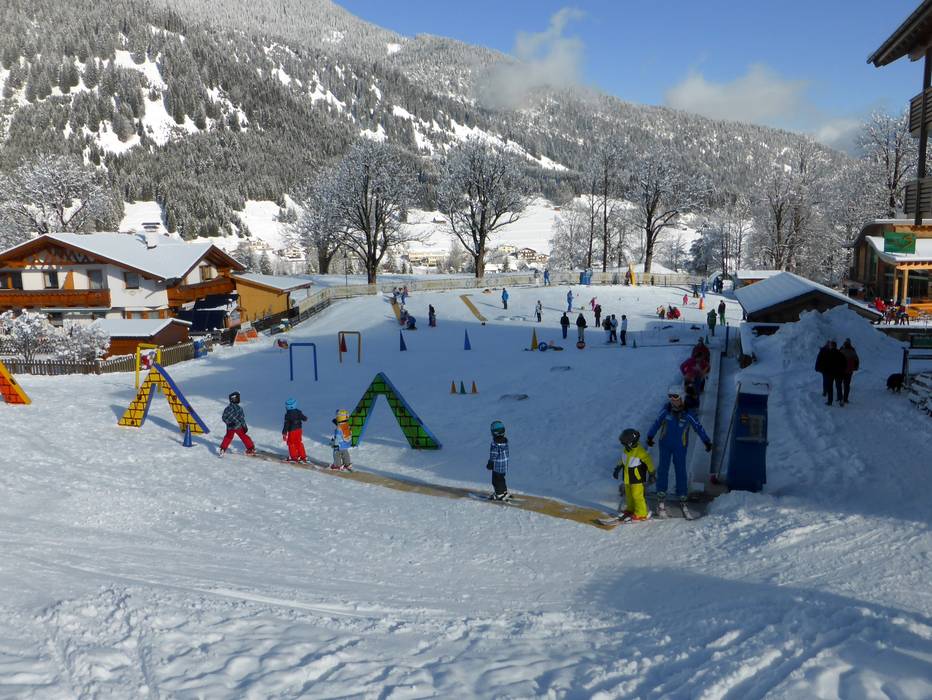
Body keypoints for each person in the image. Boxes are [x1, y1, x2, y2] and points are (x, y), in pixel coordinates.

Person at [646, 385, 712, 517]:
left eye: (675, 396)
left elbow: (698, 427)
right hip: (665, 444)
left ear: (681, 397)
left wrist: (706, 441)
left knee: (680, 470)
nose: (672, 399)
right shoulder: (666, 410)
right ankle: (661, 494)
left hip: (680, 446)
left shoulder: (688, 414)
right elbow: (656, 423)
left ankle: (682, 494)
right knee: (663, 469)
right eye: (670, 396)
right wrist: (650, 436)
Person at [613, 428, 655, 522]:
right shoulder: (626, 450)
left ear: (631, 442)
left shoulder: (640, 452)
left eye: (624, 443)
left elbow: (649, 462)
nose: (623, 445)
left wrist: (652, 473)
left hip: (636, 477)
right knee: (629, 495)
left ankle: (642, 513)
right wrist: (617, 468)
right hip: (627, 476)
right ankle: (631, 509)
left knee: (637, 495)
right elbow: (622, 459)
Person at [219, 391, 255, 456]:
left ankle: (223, 448)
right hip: (238, 427)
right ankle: (251, 448)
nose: (239, 399)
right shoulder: (239, 409)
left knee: (228, 437)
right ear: (234, 399)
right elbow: (242, 419)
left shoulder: (227, 408)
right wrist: (245, 426)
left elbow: (224, 418)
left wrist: (229, 423)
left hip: (230, 427)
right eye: (238, 398)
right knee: (243, 436)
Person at [486, 420, 511, 500]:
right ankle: (504, 491)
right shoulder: (505, 442)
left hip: (497, 466)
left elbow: (493, 455)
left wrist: (490, 463)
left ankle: (499, 494)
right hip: (504, 466)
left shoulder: (495, 444)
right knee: (501, 479)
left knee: (495, 481)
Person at [282, 398, 308, 463]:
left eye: (286, 406)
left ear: (288, 407)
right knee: (298, 442)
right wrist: (304, 418)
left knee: (291, 443)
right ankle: (303, 456)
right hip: (299, 430)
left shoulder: (287, 415)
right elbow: (304, 418)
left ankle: (294, 457)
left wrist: (284, 433)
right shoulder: (298, 412)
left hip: (292, 431)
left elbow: (286, 425)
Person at [839, 339, 860, 406]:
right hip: (849, 370)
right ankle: (845, 399)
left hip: (841, 370)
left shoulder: (841, 350)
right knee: (847, 385)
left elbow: (837, 358)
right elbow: (857, 359)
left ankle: (840, 398)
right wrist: (855, 367)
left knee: (839, 384)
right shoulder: (852, 351)